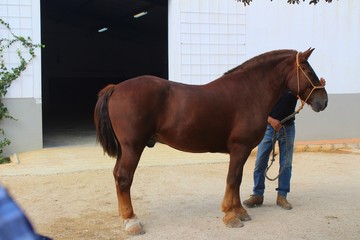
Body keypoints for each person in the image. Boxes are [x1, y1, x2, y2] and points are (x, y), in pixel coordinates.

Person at [243, 78, 326, 210]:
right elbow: (258, 108)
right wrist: (271, 121)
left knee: (286, 164)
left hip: (288, 127)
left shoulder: (295, 87)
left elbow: (306, 100)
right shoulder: (270, 85)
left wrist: (318, 88)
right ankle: (257, 194)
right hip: (269, 129)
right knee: (260, 162)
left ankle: (282, 196)